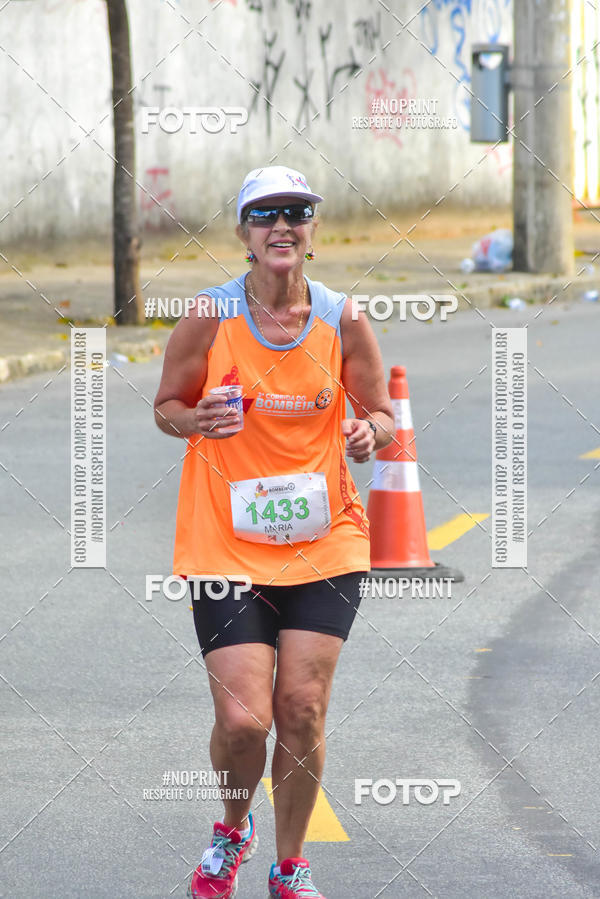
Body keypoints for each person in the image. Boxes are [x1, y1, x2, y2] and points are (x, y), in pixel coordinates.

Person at [153, 165, 394, 899]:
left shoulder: (343, 318)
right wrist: (196, 419)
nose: (282, 226)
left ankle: (291, 864)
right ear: (244, 234)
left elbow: (381, 413)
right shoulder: (210, 315)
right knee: (242, 719)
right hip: (224, 544)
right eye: (265, 215)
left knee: (302, 707)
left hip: (326, 542)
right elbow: (166, 405)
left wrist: (369, 433)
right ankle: (234, 828)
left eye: (296, 213)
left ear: (312, 231)